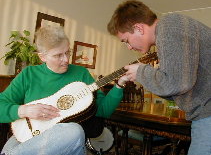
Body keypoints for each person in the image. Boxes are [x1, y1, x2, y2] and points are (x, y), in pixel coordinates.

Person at [0, 25, 128, 155]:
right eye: (58, 55)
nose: (66, 60)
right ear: (42, 57)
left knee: (74, 131)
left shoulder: (81, 74)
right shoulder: (28, 75)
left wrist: (119, 85)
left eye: (68, 52)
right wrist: (23, 110)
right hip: (28, 137)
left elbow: (103, 111)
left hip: (65, 141)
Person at [107, 0, 211, 155]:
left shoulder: (169, 26)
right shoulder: (169, 31)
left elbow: (176, 83)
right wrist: (148, 76)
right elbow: (176, 91)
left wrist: (142, 72)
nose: (128, 47)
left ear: (138, 28)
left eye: (126, 40)